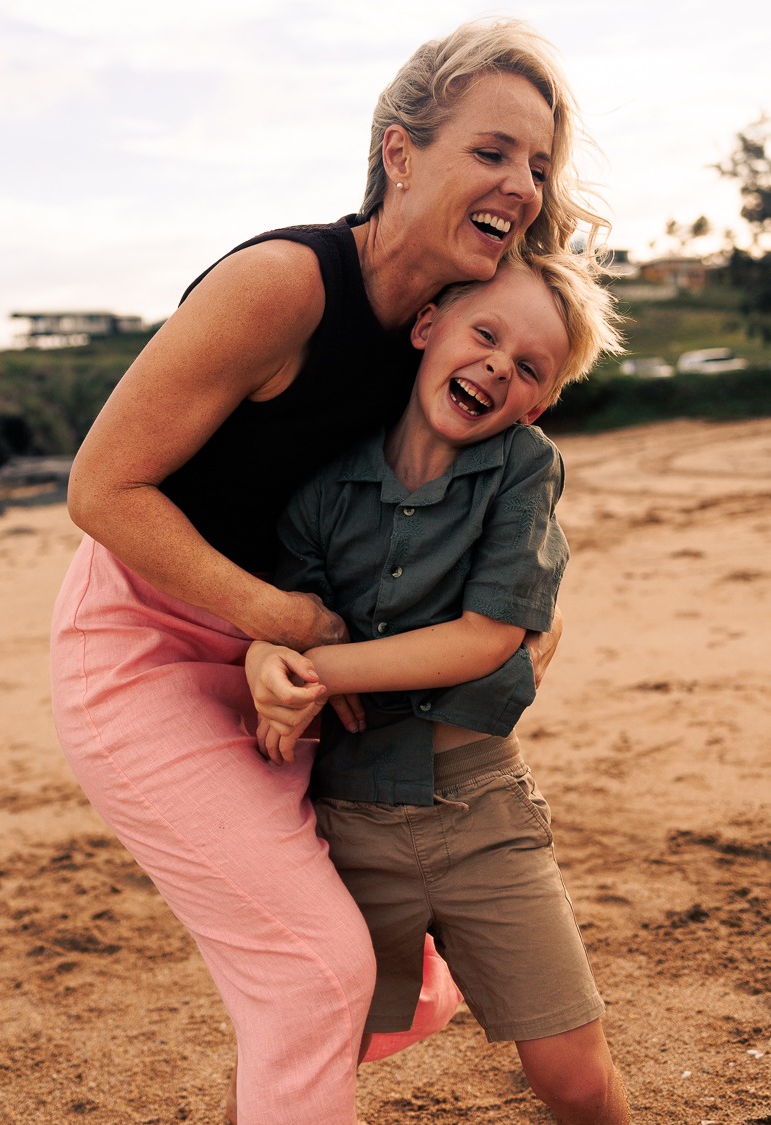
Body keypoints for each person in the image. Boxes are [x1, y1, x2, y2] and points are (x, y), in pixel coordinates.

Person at [50, 18, 609, 1125]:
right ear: (400, 154)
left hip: (299, 666)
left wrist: (523, 624)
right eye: (492, 151)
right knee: (316, 981)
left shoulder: (454, 336)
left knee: (361, 977)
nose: (524, 185)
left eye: (539, 165)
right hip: (150, 649)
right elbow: (100, 489)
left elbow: (481, 520)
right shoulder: (286, 284)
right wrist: (287, 621)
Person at [246, 253, 630, 1123]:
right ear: (429, 329)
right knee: (298, 1068)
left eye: (528, 366)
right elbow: (290, 617)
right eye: (485, 334)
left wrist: (320, 673)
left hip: (481, 810)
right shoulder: (322, 485)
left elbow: (487, 637)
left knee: (573, 1074)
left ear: (537, 401)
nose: (499, 364)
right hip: (345, 823)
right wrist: (264, 661)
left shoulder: (523, 467)